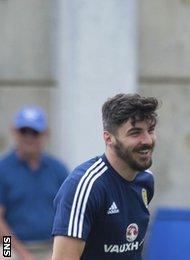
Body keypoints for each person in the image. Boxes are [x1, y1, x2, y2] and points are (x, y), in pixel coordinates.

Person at [50, 93, 158, 260]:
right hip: (10, 244)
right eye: (135, 133)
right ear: (109, 138)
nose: (147, 140)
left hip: (46, 244)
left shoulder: (146, 181)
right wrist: (19, 252)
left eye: (150, 130)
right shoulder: (84, 185)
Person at [0, 106, 69, 260]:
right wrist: (23, 254)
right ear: (14, 132)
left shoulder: (58, 169)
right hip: (9, 244)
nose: (29, 137)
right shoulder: (2, 169)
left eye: (35, 132)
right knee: (3, 257)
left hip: (51, 245)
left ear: (45, 133)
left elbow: (70, 213)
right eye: (24, 131)